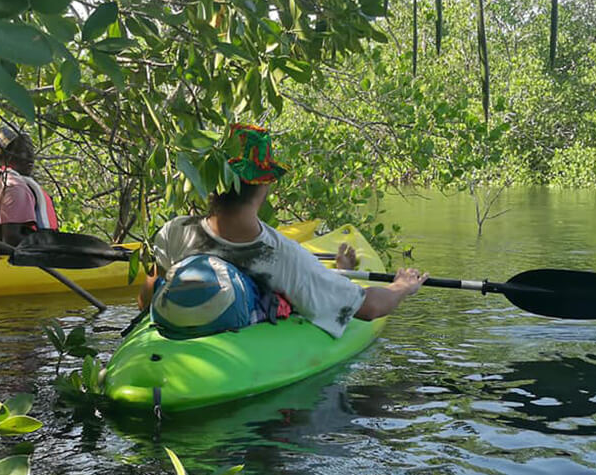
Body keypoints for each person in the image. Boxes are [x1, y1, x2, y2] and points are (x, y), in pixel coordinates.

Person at [138, 123, 427, 338]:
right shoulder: (283, 257)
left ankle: (339, 271)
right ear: (265, 184)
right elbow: (368, 308)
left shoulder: (173, 232)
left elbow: (146, 297)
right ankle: (337, 274)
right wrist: (402, 286)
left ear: (213, 179)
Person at [0, 125, 59, 247]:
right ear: (6, 155)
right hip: (22, 259)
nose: (31, 157)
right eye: (23, 151)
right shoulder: (15, 186)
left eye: (31, 150)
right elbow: (11, 239)